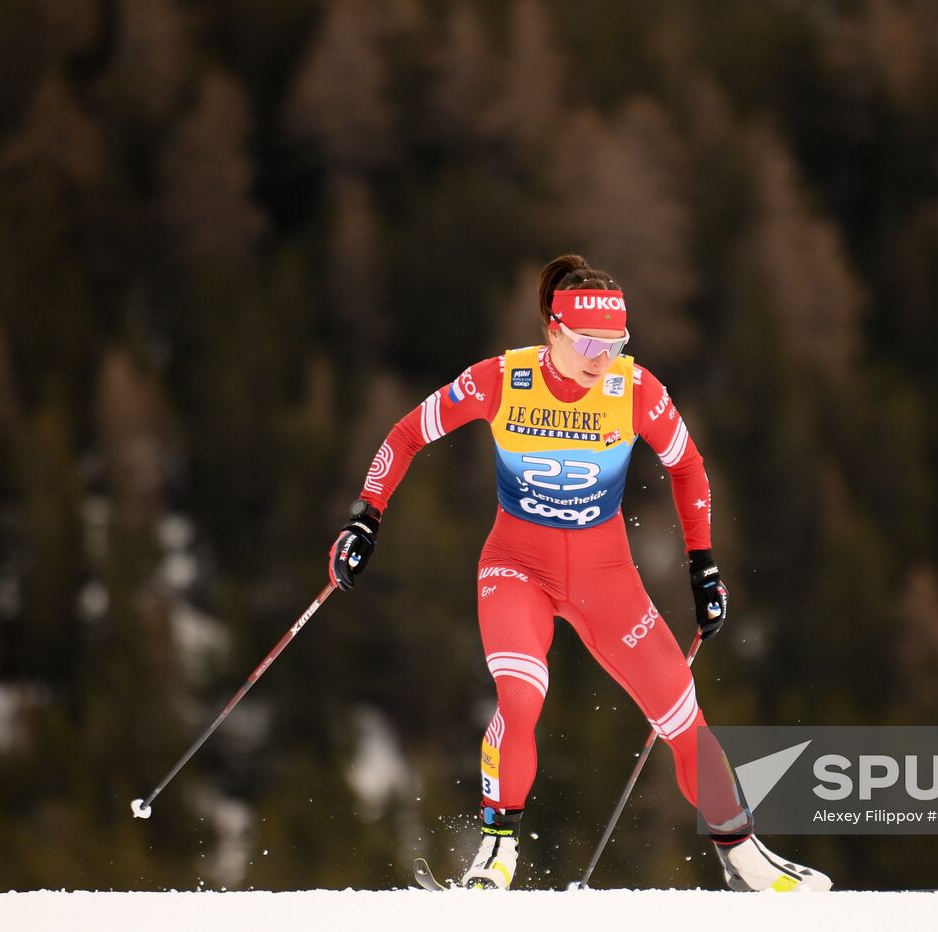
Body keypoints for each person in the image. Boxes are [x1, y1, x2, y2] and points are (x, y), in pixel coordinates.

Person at [328, 254, 830, 892]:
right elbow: (404, 436)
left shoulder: (635, 389)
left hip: (607, 576)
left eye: (615, 343)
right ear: (553, 330)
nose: (602, 357)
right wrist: (365, 517)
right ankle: (496, 852)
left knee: (683, 715)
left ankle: (746, 856)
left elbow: (689, 468)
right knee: (520, 695)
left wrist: (703, 565)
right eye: (589, 341)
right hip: (517, 567)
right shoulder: (500, 381)